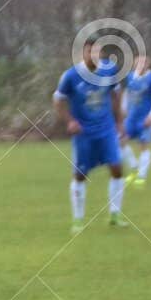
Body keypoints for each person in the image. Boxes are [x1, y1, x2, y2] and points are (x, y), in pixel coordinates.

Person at [55, 38, 127, 233]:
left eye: (97, 52)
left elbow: (116, 94)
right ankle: (78, 220)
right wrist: (70, 121)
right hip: (84, 134)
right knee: (80, 175)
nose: (93, 55)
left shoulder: (109, 70)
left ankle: (115, 215)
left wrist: (120, 122)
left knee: (117, 168)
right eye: (89, 52)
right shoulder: (71, 76)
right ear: (82, 53)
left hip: (106, 130)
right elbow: (58, 100)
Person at [120, 54, 151, 186]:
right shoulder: (130, 78)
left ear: (148, 64)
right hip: (131, 117)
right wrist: (123, 108)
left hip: (145, 118)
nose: (141, 64)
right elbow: (126, 93)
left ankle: (141, 176)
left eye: (144, 62)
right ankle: (134, 167)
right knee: (120, 141)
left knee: (143, 146)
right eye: (138, 62)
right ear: (134, 64)